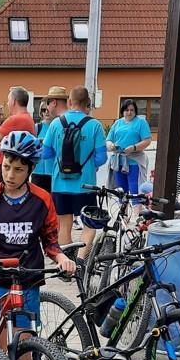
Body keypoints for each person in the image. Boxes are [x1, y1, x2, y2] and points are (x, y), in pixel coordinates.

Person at [0, 130, 76, 360]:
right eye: (6, 167)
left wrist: (61, 257)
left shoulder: (42, 200)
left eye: (18, 170)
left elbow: (50, 241)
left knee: (25, 352)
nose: (10, 175)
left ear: (30, 170)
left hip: (27, 284)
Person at [43, 85, 108, 250]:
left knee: (64, 226)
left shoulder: (56, 123)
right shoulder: (95, 125)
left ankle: (66, 261)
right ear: (88, 102)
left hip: (60, 184)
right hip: (86, 185)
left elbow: (45, 153)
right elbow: (102, 157)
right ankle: (81, 260)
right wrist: (91, 165)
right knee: (89, 225)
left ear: (70, 102)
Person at [107, 99, 152, 204]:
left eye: (132, 110)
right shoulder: (117, 123)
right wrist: (111, 145)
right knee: (121, 192)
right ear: (122, 111)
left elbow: (147, 140)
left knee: (135, 191)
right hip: (118, 161)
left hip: (134, 161)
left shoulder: (141, 122)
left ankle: (137, 212)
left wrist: (134, 147)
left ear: (135, 111)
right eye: (127, 110)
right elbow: (108, 140)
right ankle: (124, 212)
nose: (129, 112)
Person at [31, 102, 53, 194]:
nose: (46, 112)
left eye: (48, 109)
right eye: (43, 110)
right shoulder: (37, 127)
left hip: (53, 171)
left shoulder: (57, 127)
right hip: (38, 171)